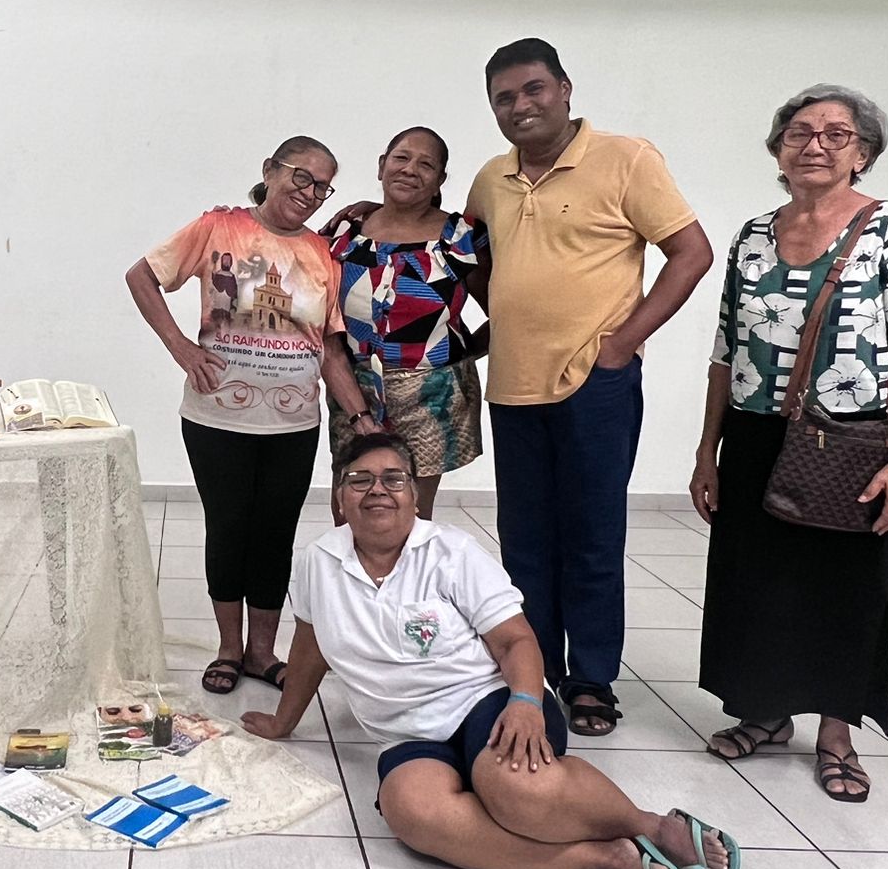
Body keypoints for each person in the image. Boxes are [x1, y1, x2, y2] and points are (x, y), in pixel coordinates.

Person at [243, 433, 741, 869]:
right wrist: (284, 721)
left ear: (414, 495)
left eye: (394, 479)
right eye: (360, 480)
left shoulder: (452, 552)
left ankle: (650, 826)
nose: (377, 490)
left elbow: (515, 640)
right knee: (413, 814)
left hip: (487, 699)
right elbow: (309, 647)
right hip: (406, 732)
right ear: (339, 497)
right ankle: (600, 859)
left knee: (515, 790)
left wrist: (525, 702)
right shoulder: (318, 562)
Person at [691, 86, 888, 802]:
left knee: (844, 587)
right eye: (799, 132)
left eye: (836, 134)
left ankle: (836, 734)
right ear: (778, 150)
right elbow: (725, 348)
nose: (815, 145)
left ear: (863, 153)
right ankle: (765, 712)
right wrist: (707, 452)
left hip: (853, 437)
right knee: (755, 580)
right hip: (756, 431)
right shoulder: (752, 234)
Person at [466, 38, 714, 736]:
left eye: (533, 89)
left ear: (565, 88)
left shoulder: (626, 159)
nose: (520, 106)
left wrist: (623, 343)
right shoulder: (490, 179)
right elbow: (463, 257)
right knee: (524, 540)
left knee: (592, 536)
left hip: (593, 385)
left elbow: (691, 253)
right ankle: (537, 673)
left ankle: (593, 680)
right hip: (512, 384)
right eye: (504, 98)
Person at [126, 136, 368, 695]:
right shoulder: (219, 228)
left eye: (322, 186)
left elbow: (330, 350)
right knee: (228, 527)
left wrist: (361, 419)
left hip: (293, 424)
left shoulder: (322, 255)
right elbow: (142, 276)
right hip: (217, 418)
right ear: (270, 171)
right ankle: (229, 649)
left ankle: (262, 652)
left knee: (275, 535)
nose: (309, 193)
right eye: (301, 177)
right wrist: (182, 349)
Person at [322, 125, 490, 519]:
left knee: (409, 515)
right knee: (348, 512)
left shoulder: (461, 239)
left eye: (426, 164)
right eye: (401, 158)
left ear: (440, 180)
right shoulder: (345, 233)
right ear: (382, 165)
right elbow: (321, 320)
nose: (410, 169)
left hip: (431, 398)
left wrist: (459, 355)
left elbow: (504, 313)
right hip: (355, 393)